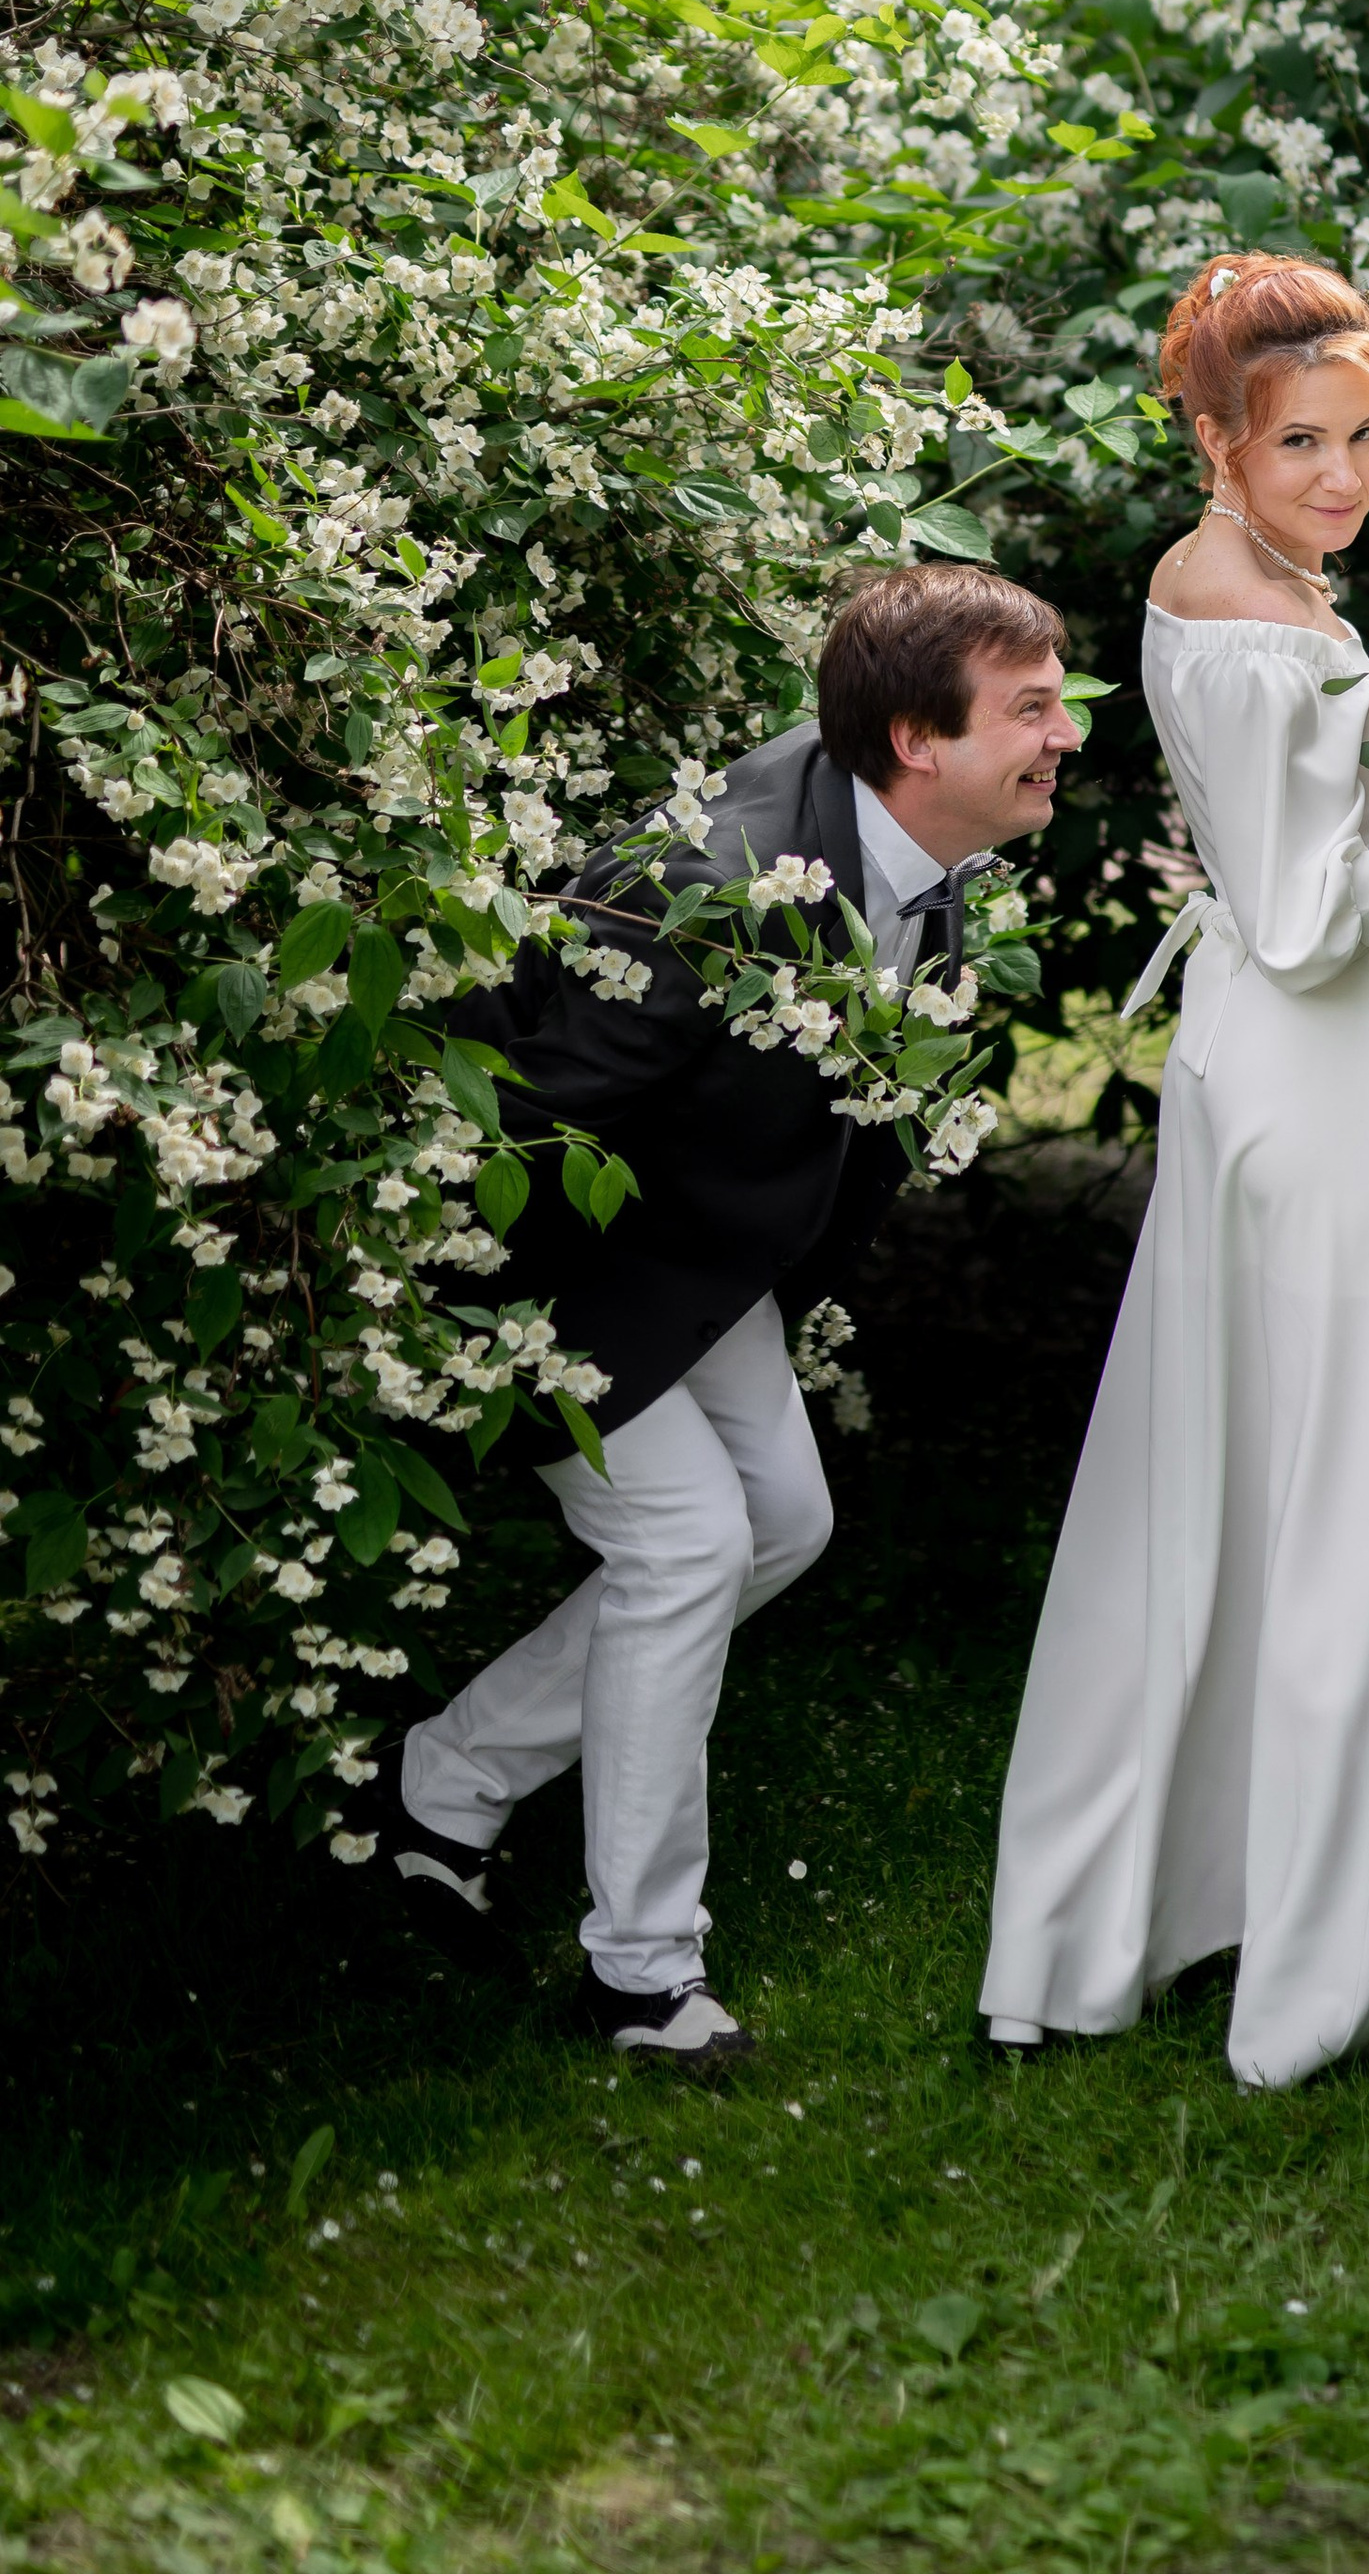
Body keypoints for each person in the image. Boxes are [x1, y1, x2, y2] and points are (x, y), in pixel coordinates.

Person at [978, 253, 1369, 2088]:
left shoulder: (1264, 580)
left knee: (1249, 1474)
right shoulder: (1241, 622)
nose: (1341, 475)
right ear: (1216, 441)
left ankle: (1249, 1889)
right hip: (1313, 1062)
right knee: (1330, 1479)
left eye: (1364, 437)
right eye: (1298, 442)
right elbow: (1312, 914)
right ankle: (1320, 1945)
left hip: (1321, 1058)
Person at [396, 564, 1081, 2071]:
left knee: (783, 1525)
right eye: (1031, 710)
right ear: (919, 740)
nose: (1065, 736)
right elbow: (518, 1119)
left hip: (698, 1255)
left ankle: (441, 1783)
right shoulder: (717, 886)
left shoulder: (922, 851)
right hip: (548, 1256)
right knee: (684, 1545)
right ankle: (643, 1977)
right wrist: (453, 1339)